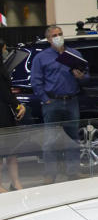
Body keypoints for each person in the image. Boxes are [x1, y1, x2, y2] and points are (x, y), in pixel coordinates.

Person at [30, 25, 88, 182]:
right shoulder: (41, 57)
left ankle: (72, 171)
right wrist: (45, 99)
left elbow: (87, 76)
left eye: (60, 34)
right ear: (48, 39)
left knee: (72, 139)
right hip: (52, 102)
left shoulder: (74, 54)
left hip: (71, 101)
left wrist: (80, 76)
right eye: (54, 35)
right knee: (50, 140)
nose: (58, 37)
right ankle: (50, 173)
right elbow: (35, 81)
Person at [0, 43, 26, 192]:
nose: (6, 52)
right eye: (4, 49)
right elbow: (4, 92)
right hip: (2, 111)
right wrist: (17, 105)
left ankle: (15, 182)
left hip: (5, 112)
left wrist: (16, 105)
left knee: (11, 150)